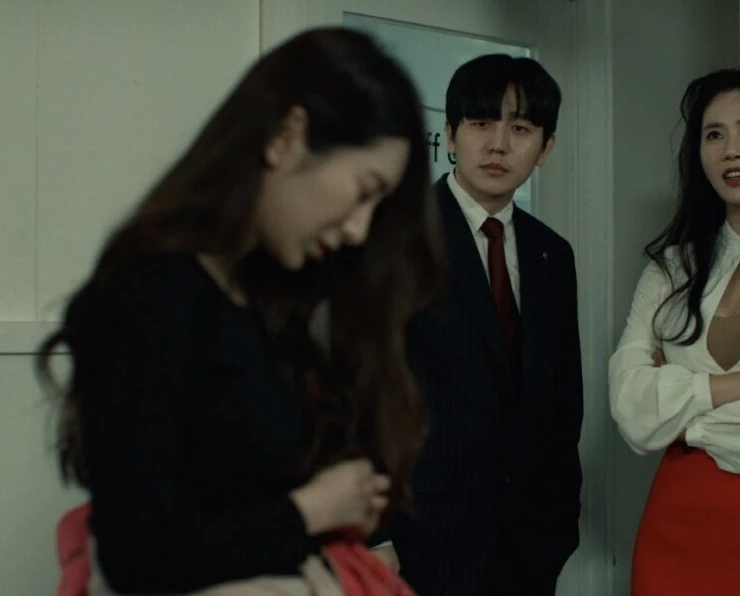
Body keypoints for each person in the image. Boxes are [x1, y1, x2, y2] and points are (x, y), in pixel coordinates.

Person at [36, 26, 445, 595]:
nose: (359, 229)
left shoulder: (265, 296)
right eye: (363, 190)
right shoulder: (155, 289)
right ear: (287, 137)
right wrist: (311, 509)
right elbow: (136, 555)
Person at [376, 54, 583, 595]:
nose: (498, 145)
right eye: (481, 123)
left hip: (528, 544)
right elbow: (356, 392)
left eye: (521, 129)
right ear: (449, 135)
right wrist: (375, 536)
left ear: (546, 147)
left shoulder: (551, 254)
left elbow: (564, 402)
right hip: (420, 539)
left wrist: (560, 522)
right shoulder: (392, 238)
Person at [610, 68, 740, 595]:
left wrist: (681, 418)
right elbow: (630, 410)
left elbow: (653, 410)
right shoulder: (671, 269)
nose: (731, 150)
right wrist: (729, 389)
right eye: (714, 134)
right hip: (675, 525)